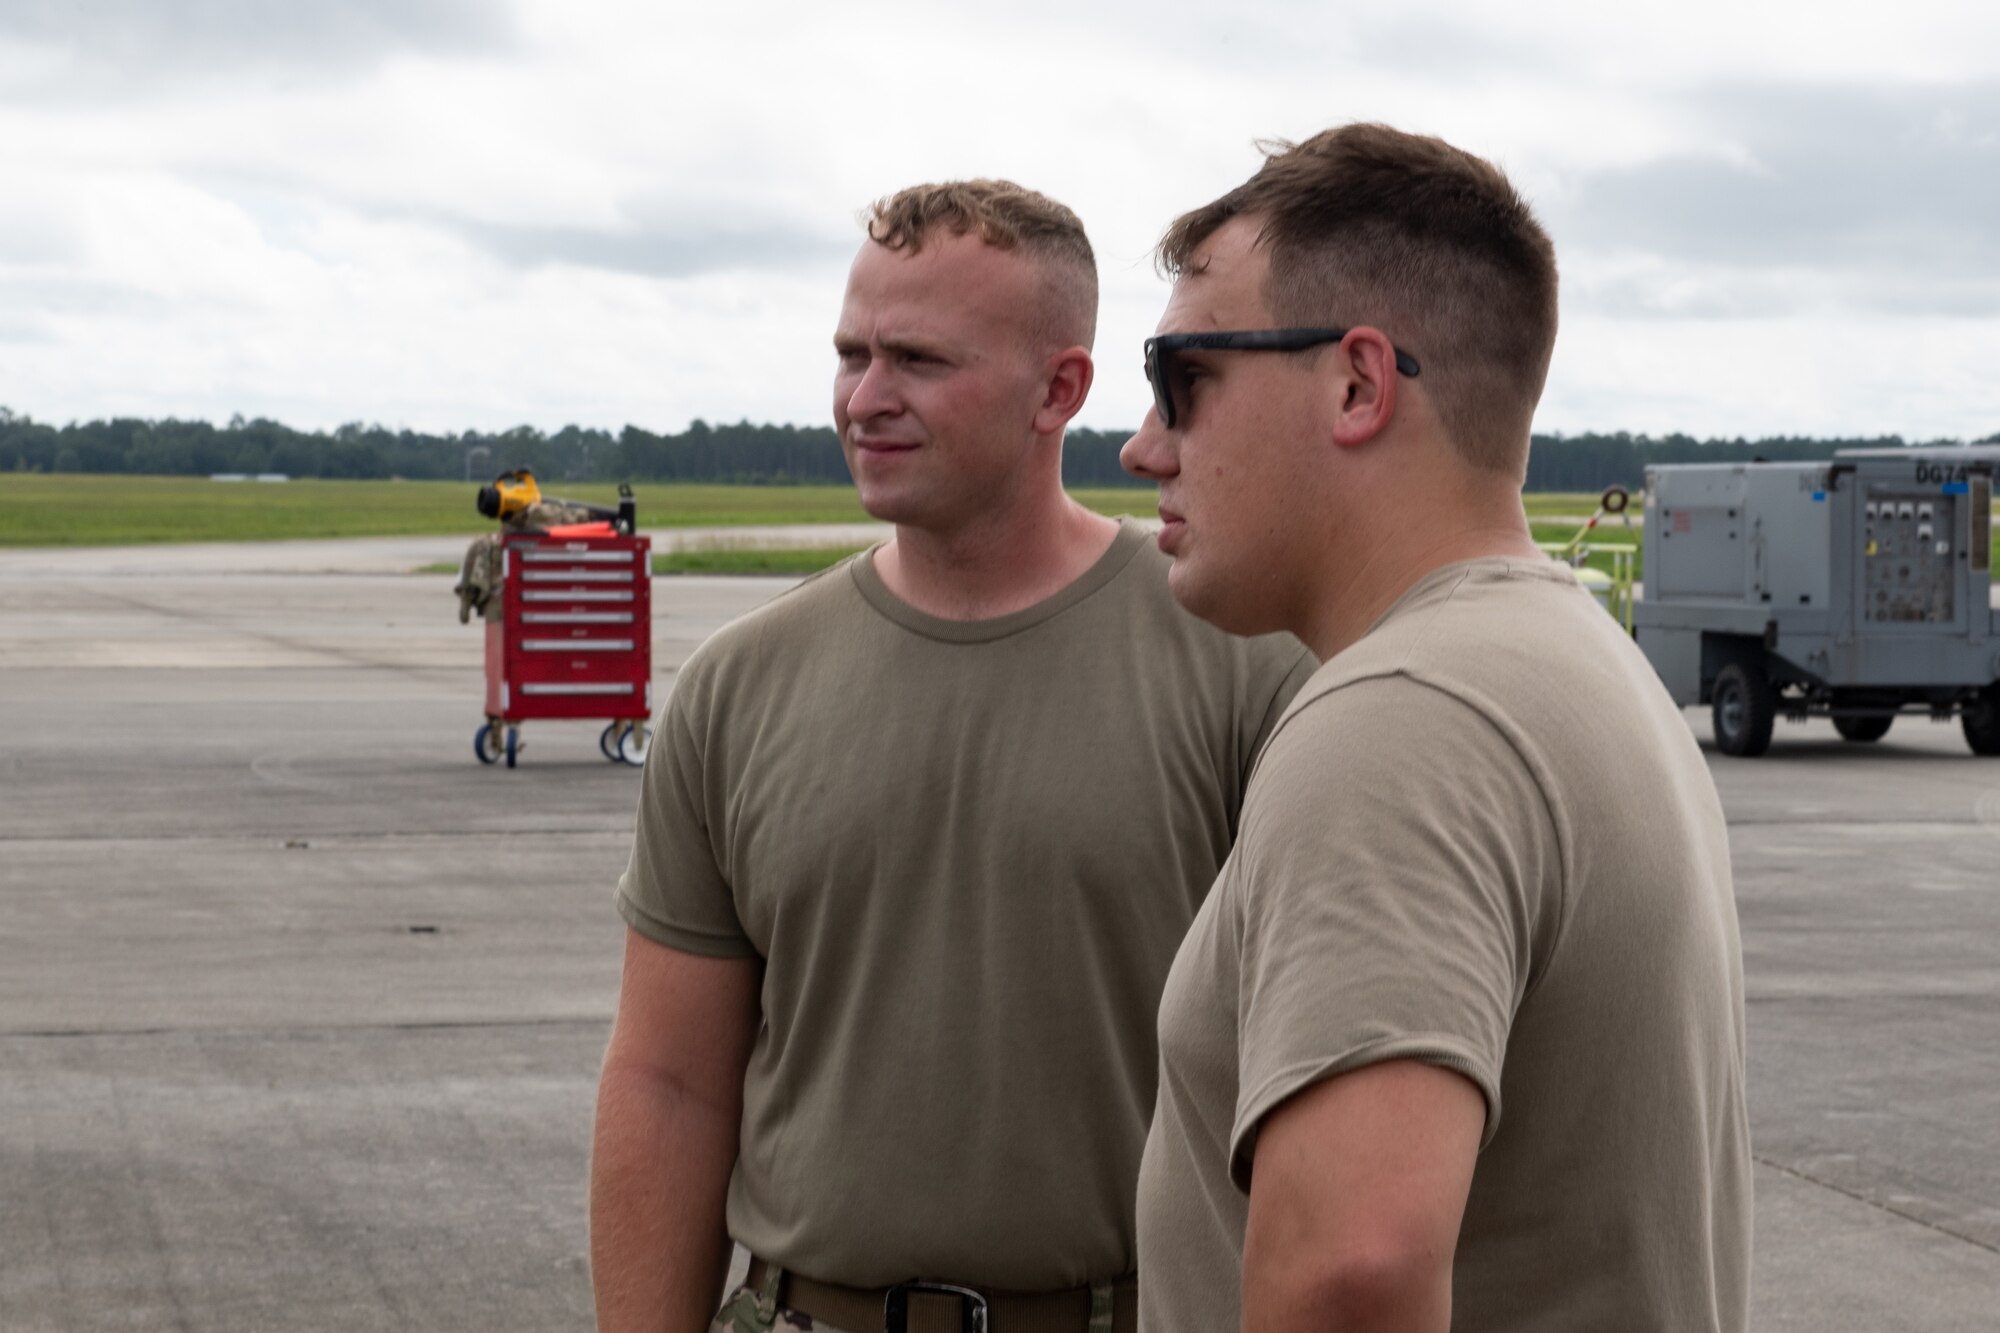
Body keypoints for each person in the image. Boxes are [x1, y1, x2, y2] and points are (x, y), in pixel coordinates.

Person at [589, 179, 1314, 1333]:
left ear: (1060, 390)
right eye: (849, 354)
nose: (864, 398)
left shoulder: (1244, 669)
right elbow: (668, 1085)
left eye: (918, 360)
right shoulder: (736, 687)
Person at [1121, 125, 1751, 1333]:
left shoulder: (1401, 725)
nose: (1144, 442)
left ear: (1356, 383)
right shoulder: (1573, 666)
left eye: (1181, 378)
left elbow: (1348, 1271)